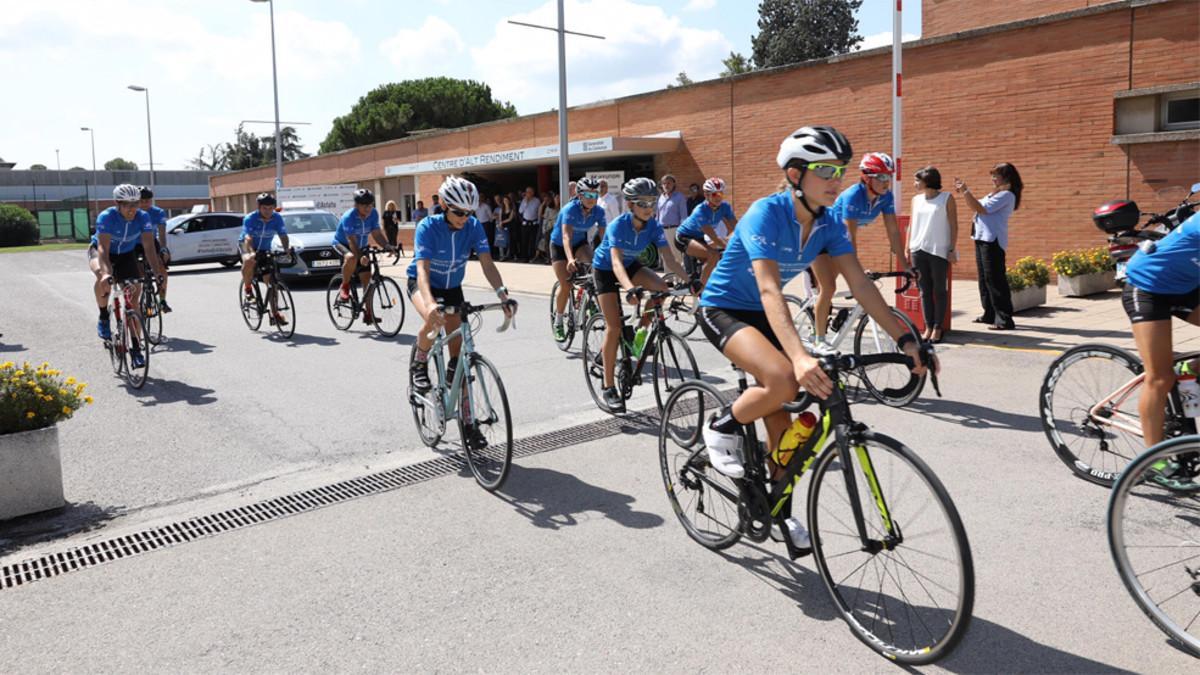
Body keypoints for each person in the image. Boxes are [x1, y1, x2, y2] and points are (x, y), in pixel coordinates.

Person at [696, 126, 931, 548]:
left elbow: (859, 284)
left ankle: (777, 512)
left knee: (786, 431)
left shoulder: (829, 224)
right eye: (825, 170)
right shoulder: (766, 213)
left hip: (767, 313)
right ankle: (721, 425)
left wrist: (906, 339)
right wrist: (800, 358)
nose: (835, 180)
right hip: (725, 308)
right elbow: (769, 289)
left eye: (839, 171)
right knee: (785, 379)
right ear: (794, 174)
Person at [407, 176, 518, 440]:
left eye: (469, 213)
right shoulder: (427, 227)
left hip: (452, 288)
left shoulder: (474, 227)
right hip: (424, 285)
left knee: (460, 362)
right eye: (458, 212)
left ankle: (469, 425)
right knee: (434, 321)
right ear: (444, 205)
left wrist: (503, 295)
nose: (464, 218)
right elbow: (422, 269)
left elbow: (488, 264)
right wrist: (431, 303)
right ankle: (419, 366)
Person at [592, 177, 691, 412]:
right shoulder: (618, 225)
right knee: (614, 327)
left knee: (662, 289)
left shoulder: (654, 226)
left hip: (630, 265)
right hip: (605, 269)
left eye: (652, 203)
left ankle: (639, 332)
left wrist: (691, 281)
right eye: (643, 203)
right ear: (630, 205)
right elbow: (615, 263)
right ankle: (608, 387)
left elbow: (669, 259)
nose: (649, 208)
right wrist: (629, 289)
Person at [1122, 208, 1199, 454]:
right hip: (1147, 286)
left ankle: (1191, 369)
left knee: (1172, 372)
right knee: (1160, 376)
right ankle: (1153, 458)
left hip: (1185, 287)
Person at [810, 152, 905, 346]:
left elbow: (893, 231)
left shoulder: (886, 198)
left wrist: (904, 264)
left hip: (837, 240)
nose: (886, 182)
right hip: (819, 237)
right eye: (881, 177)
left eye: (889, 176)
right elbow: (849, 238)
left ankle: (821, 311)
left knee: (835, 285)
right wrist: (857, 273)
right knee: (828, 288)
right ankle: (819, 339)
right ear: (866, 177)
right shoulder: (854, 195)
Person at [88, 184, 166, 368]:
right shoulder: (107, 217)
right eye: (127, 205)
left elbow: (149, 248)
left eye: (135, 204)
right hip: (102, 253)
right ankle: (103, 316)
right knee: (102, 277)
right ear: (117, 203)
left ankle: (136, 349)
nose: (132, 209)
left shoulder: (143, 217)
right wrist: (107, 273)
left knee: (134, 299)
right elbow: (103, 249)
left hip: (126, 255)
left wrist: (157, 273)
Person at [955, 162, 1023, 331]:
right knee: (984, 278)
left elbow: (981, 208)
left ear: (1006, 177)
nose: (993, 179)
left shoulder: (1007, 195)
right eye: (992, 175)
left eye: (996, 175)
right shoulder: (995, 193)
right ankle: (989, 314)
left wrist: (965, 191)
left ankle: (1005, 319)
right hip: (981, 238)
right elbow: (976, 206)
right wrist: (966, 193)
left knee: (995, 279)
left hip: (993, 240)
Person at [551, 177, 607, 340]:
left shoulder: (599, 211)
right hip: (560, 245)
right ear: (580, 196)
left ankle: (587, 298)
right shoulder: (570, 209)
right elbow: (566, 236)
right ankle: (559, 321)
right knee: (566, 284)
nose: (592, 199)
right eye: (588, 196)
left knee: (595, 268)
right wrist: (569, 259)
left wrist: (608, 257)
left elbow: (604, 237)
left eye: (595, 195)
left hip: (580, 243)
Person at [908, 167, 959, 342]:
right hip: (918, 249)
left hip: (939, 250)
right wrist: (909, 248)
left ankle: (938, 327)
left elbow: (953, 225)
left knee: (939, 290)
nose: (914, 183)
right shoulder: (916, 200)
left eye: (917, 180)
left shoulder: (947, 198)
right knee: (924, 291)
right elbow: (912, 224)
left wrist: (952, 249)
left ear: (927, 181)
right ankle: (928, 326)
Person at [332, 188, 396, 323]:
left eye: (370, 204)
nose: (368, 208)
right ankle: (345, 285)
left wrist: (387, 246)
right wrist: (360, 256)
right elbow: (351, 241)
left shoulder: (373, 214)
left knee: (367, 280)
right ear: (356, 205)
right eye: (364, 205)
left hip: (361, 245)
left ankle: (368, 314)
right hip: (343, 243)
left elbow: (377, 233)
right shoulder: (349, 217)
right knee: (351, 257)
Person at [240, 193, 292, 326]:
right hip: (247, 245)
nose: (268, 211)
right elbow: (248, 238)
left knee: (271, 284)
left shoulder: (277, 218)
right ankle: (248, 289)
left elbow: (283, 235)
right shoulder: (250, 218)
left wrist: (287, 249)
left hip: (264, 249)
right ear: (259, 207)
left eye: (270, 208)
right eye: (264, 208)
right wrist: (251, 253)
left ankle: (275, 314)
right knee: (249, 260)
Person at [675, 177, 737, 286]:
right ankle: (700, 289)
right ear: (706, 195)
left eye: (720, 194)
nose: (718, 197)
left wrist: (734, 239)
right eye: (714, 194)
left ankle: (701, 281)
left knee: (714, 262)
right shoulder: (700, 211)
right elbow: (714, 237)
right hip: (683, 237)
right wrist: (729, 246)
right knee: (713, 255)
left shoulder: (725, 207)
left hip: (699, 237)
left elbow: (737, 228)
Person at [137, 186, 172, 313]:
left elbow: (162, 233)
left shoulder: (158, 212)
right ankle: (138, 299)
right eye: (142, 201)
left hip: (152, 242)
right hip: (135, 243)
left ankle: (162, 300)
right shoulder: (133, 212)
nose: (145, 204)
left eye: (148, 201)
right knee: (137, 273)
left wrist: (163, 249)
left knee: (162, 270)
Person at [656, 174, 689, 267]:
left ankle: (680, 279)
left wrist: (682, 232)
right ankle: (669, 279)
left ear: (674, 184)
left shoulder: (679, 197)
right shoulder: (660, 198)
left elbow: (684, 216)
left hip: (674, 230)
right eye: (664, 183)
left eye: (669, 183)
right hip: (662, 231)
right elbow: (657, 216)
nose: (666, 185)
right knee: (665, 256)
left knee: (677, 255)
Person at [533, 192, 558, 264]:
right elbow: (541, 215)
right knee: (547, 243)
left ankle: (555, 258)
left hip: (557, 226)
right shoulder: (549, 207)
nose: (557, 200)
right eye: (556, 198)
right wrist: (544, 203)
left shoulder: (561, 207)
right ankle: (549, 259)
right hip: (549, 227)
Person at [518, 187, 542, 262]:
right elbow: (520, 211)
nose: (528, 193)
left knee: (532, 240)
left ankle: (531, 256)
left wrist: (538, 221)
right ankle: (524, 256)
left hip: (534, 223)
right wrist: (526, 202)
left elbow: (539, 211)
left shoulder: (537, 200)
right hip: (525, 223)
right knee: (524, 240)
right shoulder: (524, 200)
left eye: (530, 192)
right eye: (527, 192)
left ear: (533, 192)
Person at [496, 194, 516, 261]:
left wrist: (502, 222)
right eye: (504, 200)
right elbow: (500, 217)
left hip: (510, 227)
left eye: (507, 200)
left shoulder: (512, 209)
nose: (505, 201)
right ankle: (502, 255)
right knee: (501, 240)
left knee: (508, 241)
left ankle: (508, 255)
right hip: (502, 226)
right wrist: (500, 223)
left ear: (509, 201)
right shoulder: (502, 209)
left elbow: (510, 218)